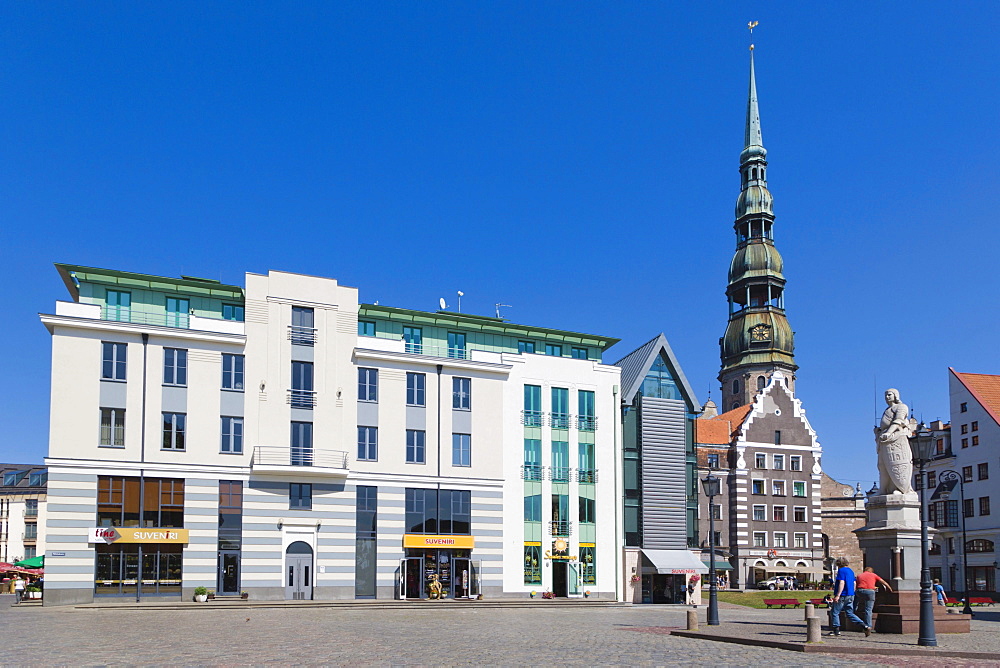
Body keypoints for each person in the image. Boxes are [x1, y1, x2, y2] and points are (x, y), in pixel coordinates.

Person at [827, 557, 870, 637]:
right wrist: (852, 592)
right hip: (851, 595)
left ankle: (836, 630)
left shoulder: (841, 571)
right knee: (849, 613)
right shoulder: (851, 571)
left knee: (834, 612)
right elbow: (854, 583)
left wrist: (838, 595)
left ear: (838, 564)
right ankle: (864, 625)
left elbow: (842, 582)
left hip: (843, 595)